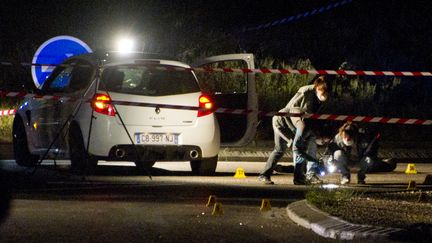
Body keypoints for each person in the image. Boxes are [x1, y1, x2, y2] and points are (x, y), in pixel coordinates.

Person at [258, 76, 328, 185]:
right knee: (281, 149)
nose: (325, 97)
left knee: (301, 146)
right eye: (324, 94)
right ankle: (265, 175)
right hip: (281, 123)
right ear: (318, 89)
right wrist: (313, 160)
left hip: (294, 123)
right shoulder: (305, 94)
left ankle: (300, 177)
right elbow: (297, 149)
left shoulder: (312, 109)